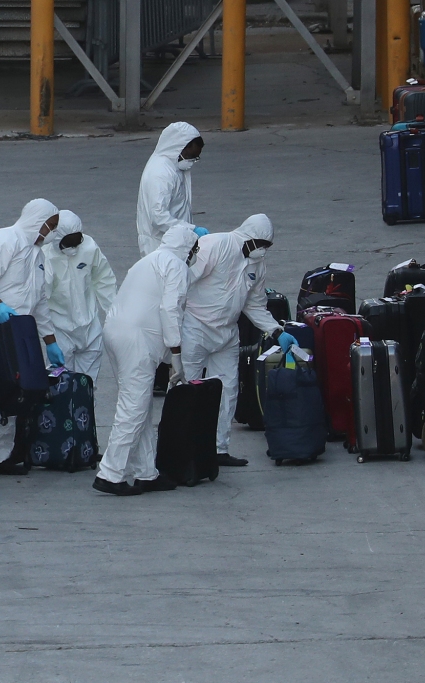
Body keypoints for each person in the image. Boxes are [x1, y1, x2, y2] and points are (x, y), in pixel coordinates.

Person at [182, 214, 298, 468]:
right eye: (260, 244)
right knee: (186, 388)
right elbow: (183, 279)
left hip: (227, 332)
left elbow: (254, 305)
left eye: (267, 246)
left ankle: (219, 448)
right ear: (246, 236)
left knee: (228, 389)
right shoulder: (216, 245)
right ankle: (180, 448)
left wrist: (277, 331)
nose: (262, 251)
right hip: (195, 326)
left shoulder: (257, 266)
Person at [93, 226, 200, 496]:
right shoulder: (176, 265)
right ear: (187, 248)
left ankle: (146, 473)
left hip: (116, 332)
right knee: (133, 407)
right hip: (136, 340)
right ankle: (110, 473)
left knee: (141, 405)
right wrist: (176, 354)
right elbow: (170, 309)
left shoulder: (147, 260)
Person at [0, 199, 66, 475]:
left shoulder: (37, 255)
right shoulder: (4, 240)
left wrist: (51, 342)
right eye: (51, 226)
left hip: (16, 333)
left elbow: (40, 303)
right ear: (38, 220)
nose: (52, 232)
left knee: (14, 390)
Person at [41, 210, 117, 381]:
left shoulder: (89, 247)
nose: (73, 248)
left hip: (90, 327)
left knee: (88, 385)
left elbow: (104, 279)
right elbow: (41, 296)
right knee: (60, 385)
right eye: (68, 243)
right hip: (60, 329)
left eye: (77, 242)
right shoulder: (45, 255)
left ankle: (87, 408)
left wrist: (114, 313)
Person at [136, 121, 208, 258]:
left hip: (175, 241)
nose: (191, 161)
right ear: (179, 147)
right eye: (191, 156)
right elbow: (158, 217)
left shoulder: (174, 165)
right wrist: (191, 229)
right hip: (160, 244)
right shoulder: (161, 173)